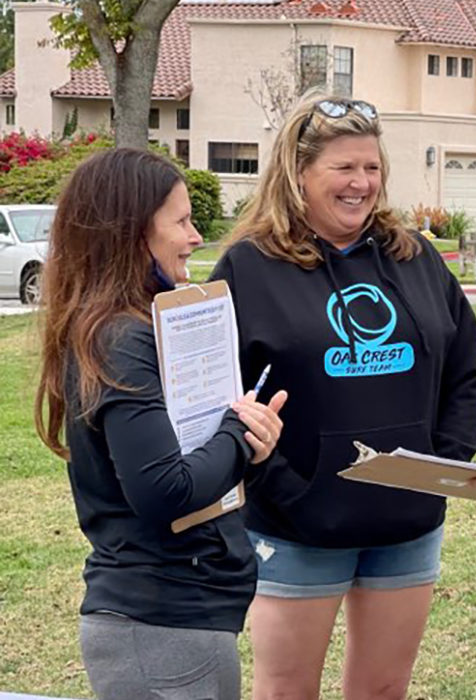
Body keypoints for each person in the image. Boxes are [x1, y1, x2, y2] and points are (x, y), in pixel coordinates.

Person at [210, 94, 476, 699]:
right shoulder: (248, 268)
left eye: (372, 167)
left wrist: (443, 466)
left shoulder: (413, 256)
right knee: (286, 693)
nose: (361, 183)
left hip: (408, 523)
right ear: (299, 172)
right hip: (297, 527)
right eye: (343, 168)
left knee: (383, 690)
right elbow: (217, 397)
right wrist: (282, 486)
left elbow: (465, 365)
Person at [34, 148, 288, 700]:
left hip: (184, 619)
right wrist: (236, 431)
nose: (196, 237)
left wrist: (251, 446)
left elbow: (192, 467)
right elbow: (163, 491)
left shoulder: (131, 328)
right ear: (131, 234)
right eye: (182, 221)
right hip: (158, 626)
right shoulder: (121, 339)